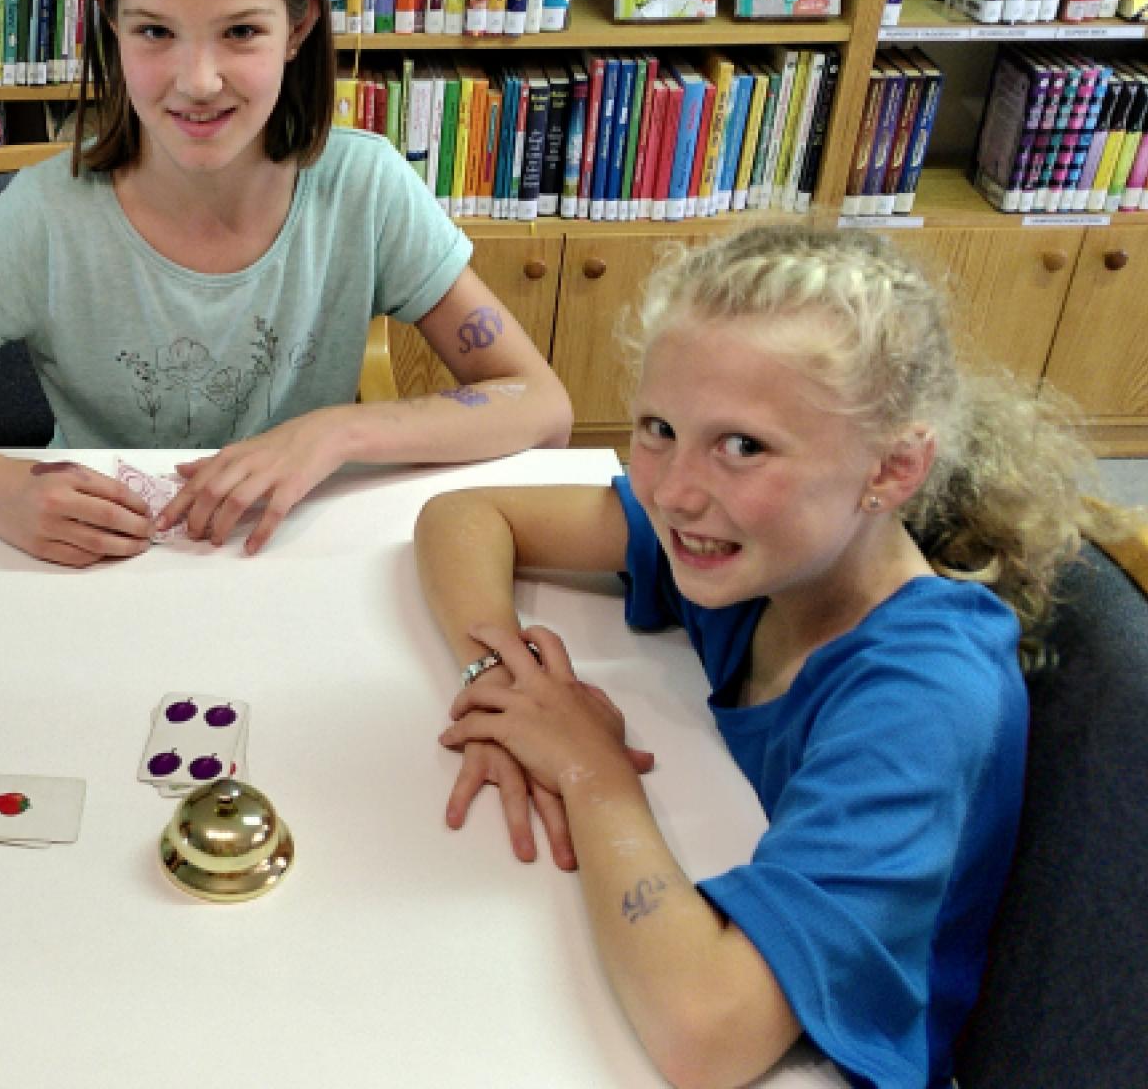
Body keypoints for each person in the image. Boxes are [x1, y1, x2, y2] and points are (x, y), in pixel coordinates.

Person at [413, 227, 1098, 1089]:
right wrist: (507, 686)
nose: (672, 490)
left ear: (893, 468)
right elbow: (465, 519)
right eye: (659, 428)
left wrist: (590, 767)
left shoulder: (926, 695)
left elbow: (708, 1035)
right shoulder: (762, 552)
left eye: (744, 446)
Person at [0, 0, 571, 567]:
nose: (198, 83)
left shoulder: (365, 189)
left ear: (300, 23)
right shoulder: (46, 217)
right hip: (97, 564)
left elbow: (540, 404)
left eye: (240, 32)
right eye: (156, 33)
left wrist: (338, 433)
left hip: (296, 556)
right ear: (110, 22)